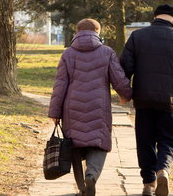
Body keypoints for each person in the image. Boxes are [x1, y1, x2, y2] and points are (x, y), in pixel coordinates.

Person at [120, 4, 173, 196]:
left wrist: (125, 92)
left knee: (145, 140)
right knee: (168, 138)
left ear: (155, 17)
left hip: (143, 99)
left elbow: (124, 67)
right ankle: (163, 169)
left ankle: (148, 183)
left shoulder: (137, 36)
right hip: (169, 100)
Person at [48, 18, 132, 196]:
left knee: (75, 146)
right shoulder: (107, 52)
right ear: (98, 32)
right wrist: (127, 95)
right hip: (98, 107)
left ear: (77, 32)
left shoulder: (68, 54)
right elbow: (119, 79)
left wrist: (55, 112)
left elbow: (60, 85)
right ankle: (92, 175)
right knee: (98, 144)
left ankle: (82, 188)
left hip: (72, 109)